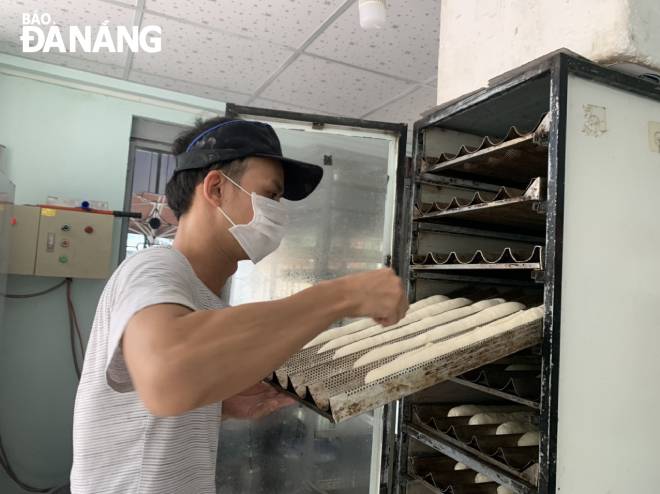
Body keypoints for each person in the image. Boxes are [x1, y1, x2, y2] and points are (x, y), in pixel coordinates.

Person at [70, 117, 408, 494]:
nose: (278, 212)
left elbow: (153, 407)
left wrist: (217, 406)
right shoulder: (155, 268)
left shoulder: (202, 297)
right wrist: (339, 296)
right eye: (271, 195)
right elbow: (166, 374)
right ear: (215, 188)